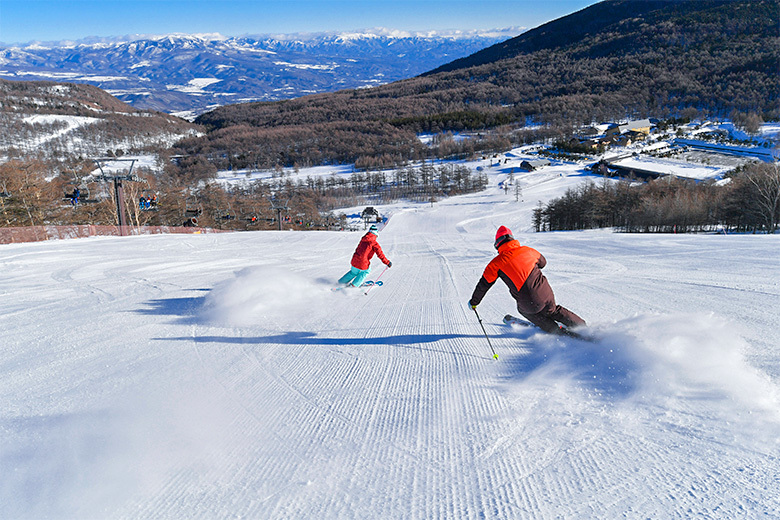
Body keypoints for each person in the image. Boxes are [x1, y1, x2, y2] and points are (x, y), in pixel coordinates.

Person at [468, 225, 585, 334]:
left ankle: (555, 330)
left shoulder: (496, 263)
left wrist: (474, 302)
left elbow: (483, 285)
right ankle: (583, 327)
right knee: (553, 310)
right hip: (546, 293)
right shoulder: (529, 251)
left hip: (528, 303)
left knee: (526, 311)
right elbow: (543, 263)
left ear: (498, 244)